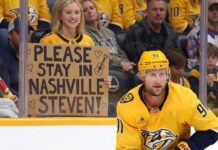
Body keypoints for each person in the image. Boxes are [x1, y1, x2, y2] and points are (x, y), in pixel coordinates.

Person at [116, 50, 218, 149]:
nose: (158, 80)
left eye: (162, 74)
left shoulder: (185, 97)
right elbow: (127, 147)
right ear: (142, 76)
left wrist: (185, 148)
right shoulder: (127, 105)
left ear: (167, 75)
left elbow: (213, 128)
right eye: (152, 74)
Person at [123, 0, 180, 65]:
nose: (158, 13)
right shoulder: (135, 31)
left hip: (167, 71)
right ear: (146, 11)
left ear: (166, 12)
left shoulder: (171, 31)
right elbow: (139, 59)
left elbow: (177, 57)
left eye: (161, 10)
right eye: (154, 9)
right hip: (143, 71)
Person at [0, 17, 34, 98]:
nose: (25, 36)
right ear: (9, 35)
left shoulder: (35, 55)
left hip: (37, 104)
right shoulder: (2, 58)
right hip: (14, 104)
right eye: (20, 32)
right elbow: (5, 90)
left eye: (27, 32)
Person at [188, 43, 218, 115]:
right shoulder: (194, 74)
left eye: (213, 57)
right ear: (198, 59)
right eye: (207, 57)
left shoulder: (216, 73)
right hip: (200, 108)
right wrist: (206, 84)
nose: (210, 60)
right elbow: (194, 95)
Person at [186, 0, 218, 69]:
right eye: (211, 9)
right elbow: (193, 62)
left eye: (217, 9)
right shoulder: (195, 34)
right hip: (205, 74)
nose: (215, 12)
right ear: (204, 11)